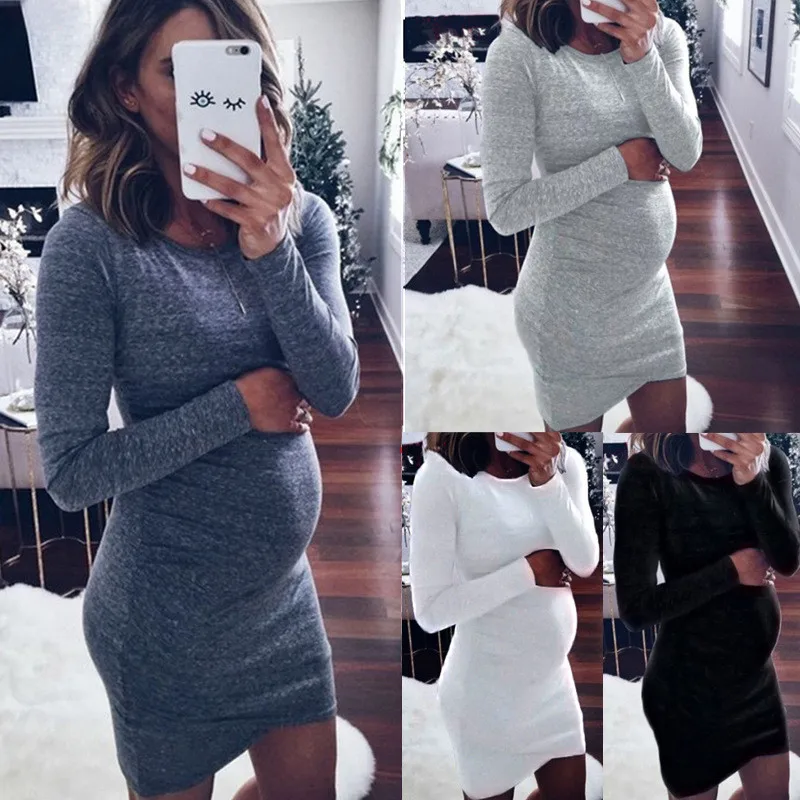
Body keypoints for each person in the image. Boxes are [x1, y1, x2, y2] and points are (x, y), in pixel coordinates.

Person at [33, 2, 359, 799]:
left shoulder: (303, 221)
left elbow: (335, 389)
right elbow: (72, 472)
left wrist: (269, 245)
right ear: (127, 89)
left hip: (282, 605)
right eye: (177, 72)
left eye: (225, 66)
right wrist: (238, 405)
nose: (208, 95)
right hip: (163, 631)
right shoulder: (91, 247)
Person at [481, 0, 702, 432]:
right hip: (569, 317)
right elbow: (506, 208)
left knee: (666, 446)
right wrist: (621, 162)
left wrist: (642, 55)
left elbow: (685, 152)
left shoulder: (663, 36)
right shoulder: (518, 53)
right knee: (581, 451)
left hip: (649, 297)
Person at [409, 432, 599, 800]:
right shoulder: (442, 477)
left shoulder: (565, 462)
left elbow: (583, 561)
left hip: (552, 687)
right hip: (485, 700)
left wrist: (548, 481)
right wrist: (529, 570)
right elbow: (430, 611)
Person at [614, 433, 800, 800]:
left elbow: (787, 560)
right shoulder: (648, 473)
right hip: (687, 696)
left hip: (756, 684)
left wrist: (752, 480)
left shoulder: (770, 460)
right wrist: (731, 570)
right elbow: (636, 609)